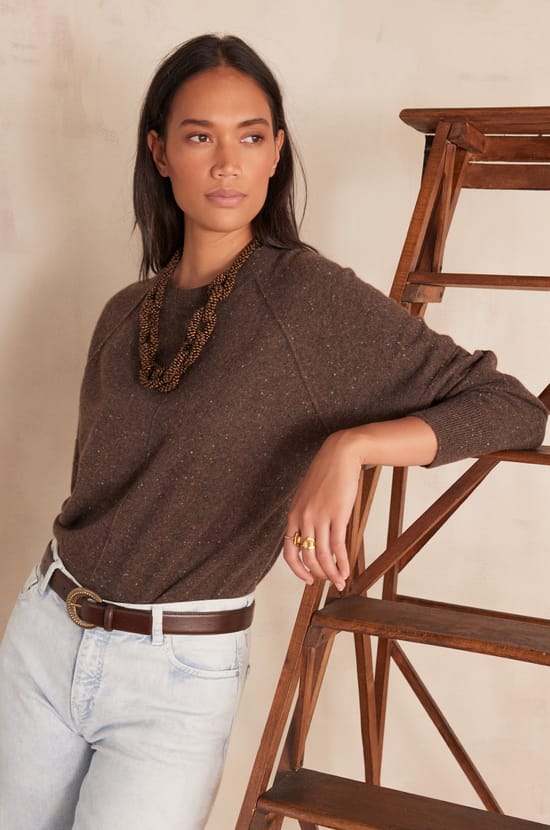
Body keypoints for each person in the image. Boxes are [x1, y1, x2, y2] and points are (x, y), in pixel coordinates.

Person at [0, 33, 546, 830]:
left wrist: (351, 447)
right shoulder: (124, 314)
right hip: (45, 633)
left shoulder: (307, 299)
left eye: (250, 136)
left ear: (277, 151)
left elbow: (511, 407)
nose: (228, 163)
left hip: (174, 677)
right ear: (160, 153)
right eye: (200, 137)